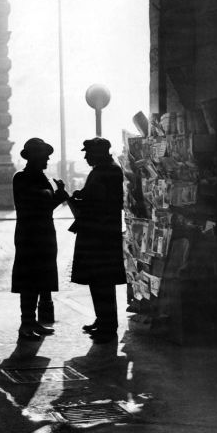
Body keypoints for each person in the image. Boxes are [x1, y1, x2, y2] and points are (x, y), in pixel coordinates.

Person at [69, 137, 126, 343]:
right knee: (98, 280)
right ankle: (102, 320)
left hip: (101, 235)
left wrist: (82, 201)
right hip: (98, 232)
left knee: (102, 281)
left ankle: (108, 325)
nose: (85, 156)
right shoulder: (103, 169)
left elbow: (103, 202)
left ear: (98, 152)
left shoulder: (108, 171)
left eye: (88, 152)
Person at [11, 138, 68, 341]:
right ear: (35, 157)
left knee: (40, 279)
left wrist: (59, 195)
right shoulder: (22, 178)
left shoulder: (42, 178)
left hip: (44, 234)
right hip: (29, 236)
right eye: (44, 156)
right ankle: (26, 323)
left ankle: (32, 321)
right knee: (29, 281)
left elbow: (48, 203)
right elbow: (35, 201)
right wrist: (49, 195)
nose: (47, 159)